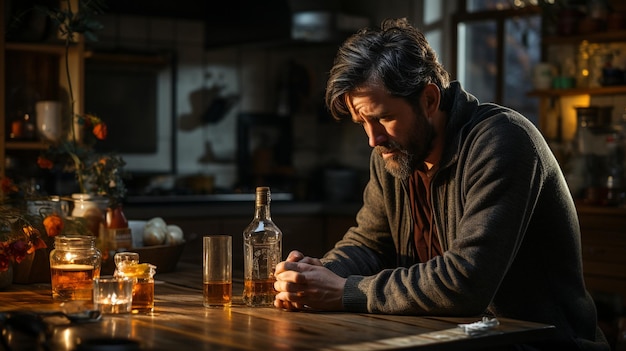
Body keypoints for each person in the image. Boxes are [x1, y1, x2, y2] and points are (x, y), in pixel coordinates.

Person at [273, 18, 610, 351]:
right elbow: (369, 244)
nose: (373, 139)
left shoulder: (503, 141)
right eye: (362, 122)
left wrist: (344, 290)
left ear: (430, 100)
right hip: (450, 338)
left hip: (544, 344)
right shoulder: (395, 153)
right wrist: (317, 277)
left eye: (383, 118)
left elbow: (465, 282)